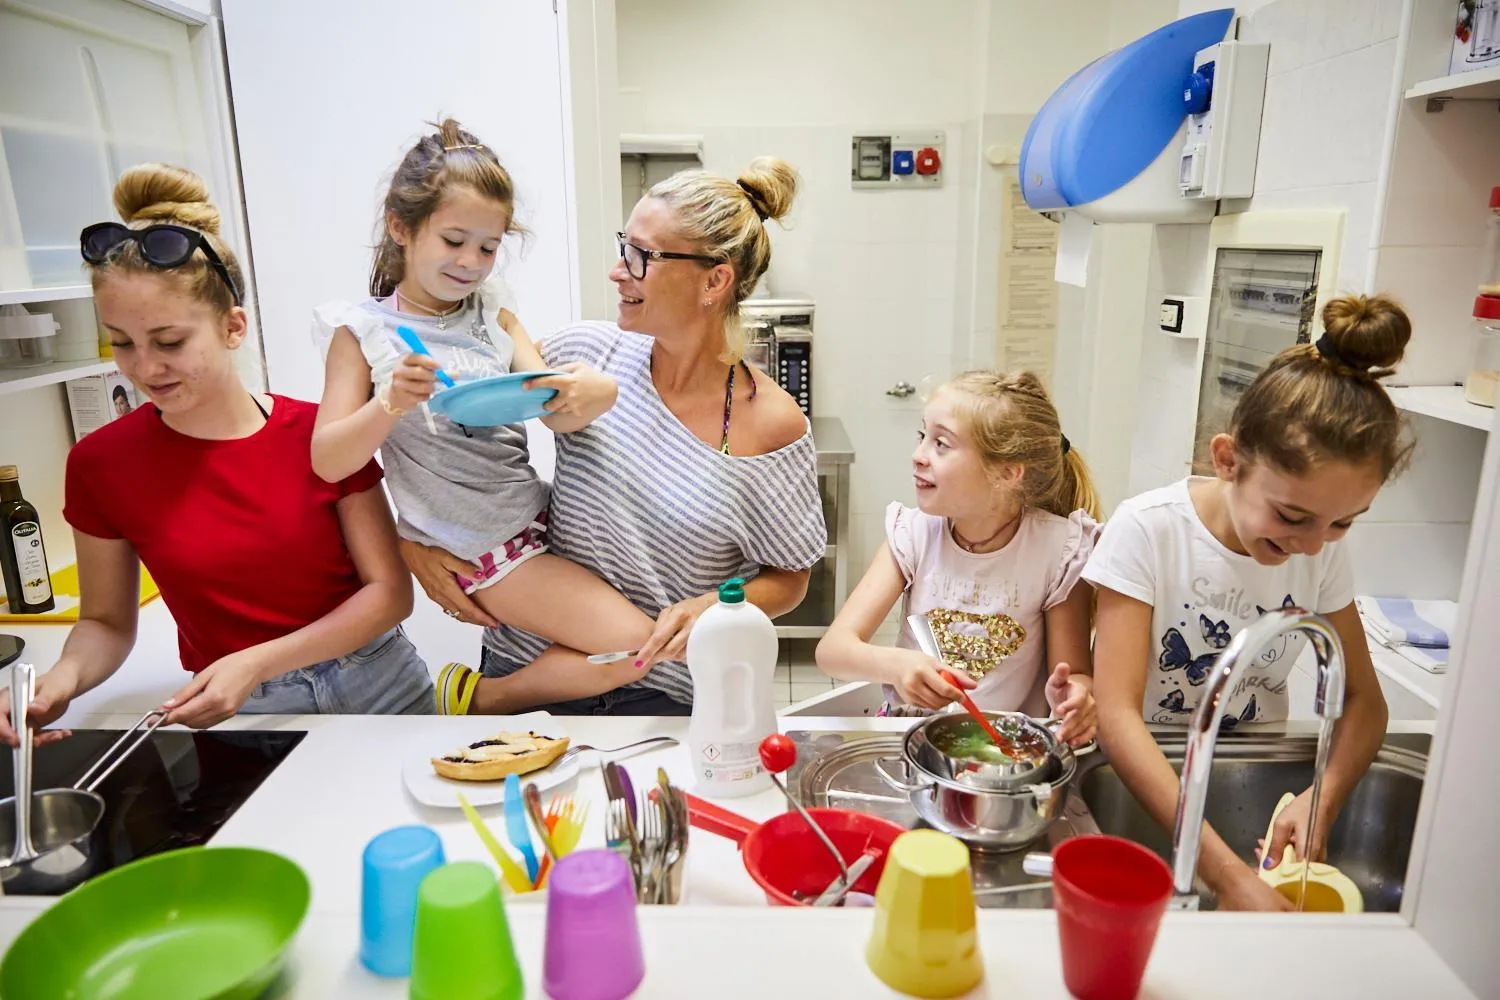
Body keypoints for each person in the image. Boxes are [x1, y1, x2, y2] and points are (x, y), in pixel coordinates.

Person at [0, 163, 432, 747]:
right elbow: (104, 623)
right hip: (245, 713)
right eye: (121, 343)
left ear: (233, 327)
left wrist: (257, 660)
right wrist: (57, 682)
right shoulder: (100, 465)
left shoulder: (322, 434)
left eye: (170, 342)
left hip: (382, 687)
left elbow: (388, 593)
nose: (144, 367)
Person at [402, 157, 827, 715]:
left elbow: (790, 578)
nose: (617, 270)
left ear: (715, 279)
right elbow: (447, 432)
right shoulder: (584, 352)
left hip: (661, 695)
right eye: (624, 245)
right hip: (524, 669)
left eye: (641, 256)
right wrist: (412, 541)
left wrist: (716, 606)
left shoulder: (773, 424)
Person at [312, 119, 663, 710]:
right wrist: (389, 402)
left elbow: (552, 406)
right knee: (637, 647)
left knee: (637, 639)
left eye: (488, 247)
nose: (471, 262)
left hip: (541, 515)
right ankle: (484, 699)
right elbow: (329, 461)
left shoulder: (493, 311)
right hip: (481, 549)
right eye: (454, 241)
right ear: (401, 227)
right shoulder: (364, 332)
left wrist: (593, 392)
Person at [1084, 293, 1406, 911]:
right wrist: (1228, 876)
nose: (1312, 545)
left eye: (1343, 523)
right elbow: (1116, 715)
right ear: (1228, 460)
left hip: (1246, 772)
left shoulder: (1320, 550)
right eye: (1292, 515)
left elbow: (1366, 702)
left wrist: (1323, 797)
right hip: (1149, 775)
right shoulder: (1149, 531)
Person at [816, 371, 1099, 744]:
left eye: (941, 444)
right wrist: (898, 666)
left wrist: (1074, 697)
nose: (918, 456)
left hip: (1004, 750)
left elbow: (1074, 673)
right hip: (912, 739)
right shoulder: (914, 534)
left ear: (1007, 472)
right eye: (922, 437)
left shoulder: (1057, 552)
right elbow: (833, 650)